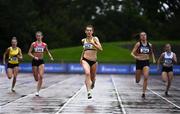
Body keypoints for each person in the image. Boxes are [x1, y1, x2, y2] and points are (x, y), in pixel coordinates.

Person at [28, 31, 54, 96]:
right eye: (37, 36)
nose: (39, 37)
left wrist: (50, 56)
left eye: (40, 36)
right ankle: (37, 80)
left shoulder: (44, 45)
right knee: (36, 78)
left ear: (42, 37)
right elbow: (29, 53)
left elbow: (47, 52)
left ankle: (37, 91)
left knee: (41, 76)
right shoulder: (33, 44)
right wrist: (34, 57)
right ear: (36, 37)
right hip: (34, 61)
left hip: (41, 61)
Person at [80, 25, 103, 99]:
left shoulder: (95, 38)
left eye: (90, 30)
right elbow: (84, 49)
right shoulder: (83, 40)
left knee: (92, 79)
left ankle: (93, 83)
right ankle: (89, 92)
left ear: (92, 32)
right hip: (85, 59)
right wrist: (81, 57)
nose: (89, 32)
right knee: (87, 73)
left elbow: (100, 49)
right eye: (87, 30)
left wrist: (93, 43)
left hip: (94, 61)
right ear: (85, 32)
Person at [131, 32, 156, 98]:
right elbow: (132, 53)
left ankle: (143, 93)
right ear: (140, 37)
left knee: (146, 77)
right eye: (142, 35)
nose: (143, 36)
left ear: (146, 36)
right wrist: (136, 57)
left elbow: (152, 53)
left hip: (146, 62)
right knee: (137, 80)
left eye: (144, 35)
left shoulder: (149, 45)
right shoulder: (138, 44)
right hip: (139, 62)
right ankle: (137, 77)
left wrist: (153, 59)